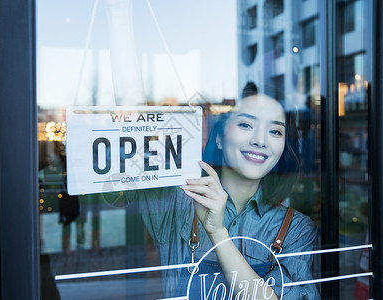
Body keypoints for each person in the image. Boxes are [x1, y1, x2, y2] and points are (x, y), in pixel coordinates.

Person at [125, 94, 319, 299]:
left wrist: (217, 232)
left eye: (275, 131)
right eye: (246, 125)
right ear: (218, 138)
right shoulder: (176, 200)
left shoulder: (296, 229)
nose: (260, 141)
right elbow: (114, 179)